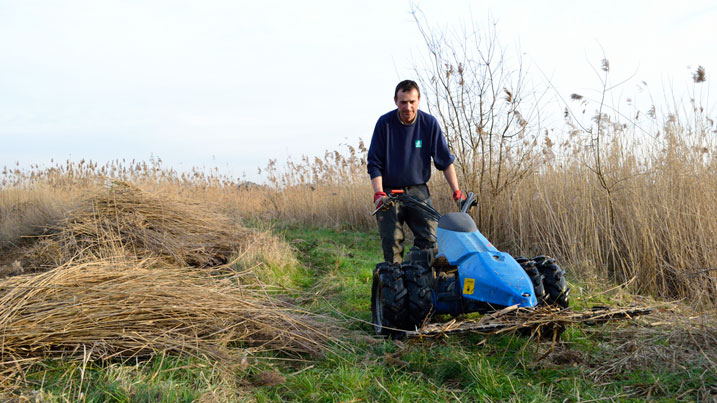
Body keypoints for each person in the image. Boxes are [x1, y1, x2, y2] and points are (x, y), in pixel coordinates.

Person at [367, 80, 465, 264]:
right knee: (392, 243)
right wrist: (379, 192)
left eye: (412, 101)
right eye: (403, 102)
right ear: (395, 101)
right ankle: (394, 283)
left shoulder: (428, 124)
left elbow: (444, 161)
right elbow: (374, 163)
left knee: (430, 239)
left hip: (417, 190)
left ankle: (418, 278)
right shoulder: (384, 124)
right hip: (389, 193)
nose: (408, 107)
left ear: (418, 100)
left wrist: (457, 192)